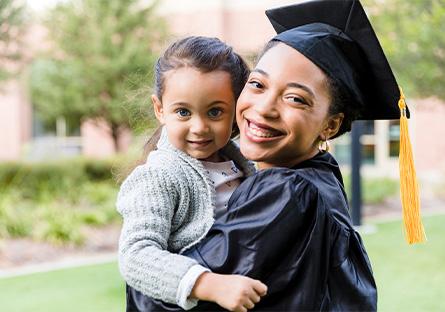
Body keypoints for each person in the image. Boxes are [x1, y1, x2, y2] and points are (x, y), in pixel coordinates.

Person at [127, 0, 423, 311]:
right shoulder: (319, 178)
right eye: (257, 84)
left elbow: (153, 301)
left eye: (295, 98)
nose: (264, 108)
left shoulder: (288, 192)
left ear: (330, 124)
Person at [117, 36, 268, 311]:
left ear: (236, 108)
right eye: (183, 112)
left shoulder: (245, 164)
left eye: (214, 112)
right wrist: (209, 284)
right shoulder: (158, 177)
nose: (199, 127)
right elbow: (135, 256)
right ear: (160, 109)